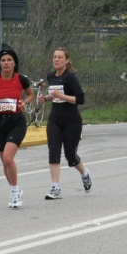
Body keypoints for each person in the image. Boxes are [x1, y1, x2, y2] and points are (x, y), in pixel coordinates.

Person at [0, 49, 34, 208]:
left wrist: (25, 102)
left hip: (16, 122)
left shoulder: (21, 79)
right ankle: (14, 188)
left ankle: (15, 192)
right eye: (3, 61)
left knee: (9, 158)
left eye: (9, 60)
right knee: (5, 162)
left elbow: (30, 95)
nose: (6, 63)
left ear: (14, 63)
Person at [37, 47, 91, 200]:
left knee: (70, 156)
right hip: (55, 118)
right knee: (53, 151)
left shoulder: (71, 77)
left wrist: (62, 95)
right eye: (54, 57)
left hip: (71, 120)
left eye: (60, 57)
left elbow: (80, 99)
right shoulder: (51, 77)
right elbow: (53, 95)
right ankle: (56, 188)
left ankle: (84, 173)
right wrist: (45, 99)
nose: (56, 60)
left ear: (66, 60)